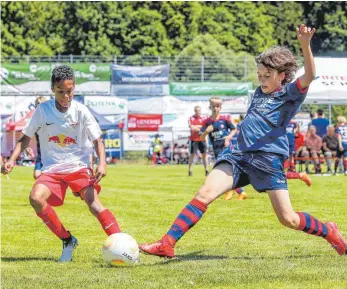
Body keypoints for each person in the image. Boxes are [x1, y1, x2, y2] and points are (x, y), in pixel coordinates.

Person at [139, 25, 347, 258]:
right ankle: (167, 243)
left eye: (267, 76)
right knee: (204, 193)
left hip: (268, 161)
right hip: (238, 155)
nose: (262, 80)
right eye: (259, 75)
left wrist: (306, 45)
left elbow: (309, 76)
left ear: (282, 76)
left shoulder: (289, 94)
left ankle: (329, 231)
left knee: (288, 219)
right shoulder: (259, 92)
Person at [1, 65, 121, 262]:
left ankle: (121, 243)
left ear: (74, 88)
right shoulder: (43, 110)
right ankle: (67, 240)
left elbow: (97, 140)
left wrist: (102, 164)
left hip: (78, 167)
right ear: (52, 90)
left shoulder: (81, 111)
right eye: (60, 92)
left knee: (94, 205)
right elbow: (25, 137)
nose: (66, 96)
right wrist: (11, 160)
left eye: (70, 91)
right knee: (36, 198)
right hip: (52, 169)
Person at [200, 97, 248, 201]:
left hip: (226, 148)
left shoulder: (225, 120)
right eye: (213, 106)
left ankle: (232, 192)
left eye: (217, 106)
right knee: (226, 171)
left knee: (224, 171)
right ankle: (238, 192)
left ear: (220, 107)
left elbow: (234, 129)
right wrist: (206, 132)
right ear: (210, 107)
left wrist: (229, 137)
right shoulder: (207, 122)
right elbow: (201, 138)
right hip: (215, 149)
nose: (215, 108)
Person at [188, 106, 209, 177]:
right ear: (194, 111)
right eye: (196, 110)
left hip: (202, 139)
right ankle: (190, 171)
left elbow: (206, 127)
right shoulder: (191, 118)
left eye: (199, 110)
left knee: (204, 155)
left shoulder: (203, 118)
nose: (198, 112)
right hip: (194, 139)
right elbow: (192, 128)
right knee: (192, 155)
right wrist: (200, 127)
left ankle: (206, 170)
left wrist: (196, 126)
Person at [33, 96, 48, 179]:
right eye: (36, 105)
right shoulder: (34, 120)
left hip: (51, 156)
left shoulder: (51, 119)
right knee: (36, 176)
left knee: (39, 176)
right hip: (40, 155)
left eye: (40, 105)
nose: (38, 107)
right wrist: (27, 147)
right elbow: (26, 135)